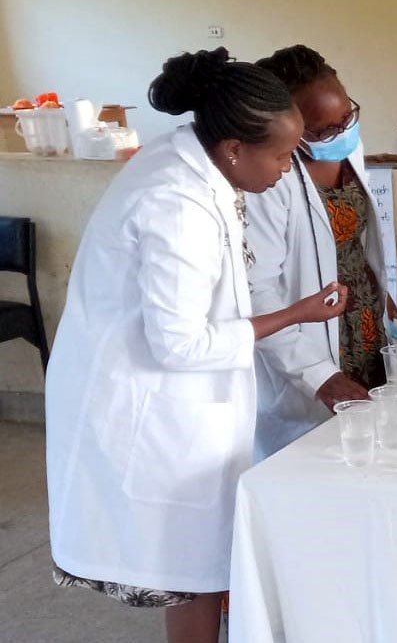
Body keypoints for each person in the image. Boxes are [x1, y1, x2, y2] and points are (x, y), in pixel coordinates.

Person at [44, 48, 347, 643]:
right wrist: (297, 313)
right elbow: (179, 344)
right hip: (152, 408)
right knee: (195, 568)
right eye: (285, 155)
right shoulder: (175, 202)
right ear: (235, 147)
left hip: (182, 404)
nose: (290, 168)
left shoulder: (194, 159)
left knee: (203, 565)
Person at [247, 45, 397, 459]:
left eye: (347, 115)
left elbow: (355, 239)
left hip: (366, 326)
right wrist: (318, 376)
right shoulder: (266, 178)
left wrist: (383, 297)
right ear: (288, 124)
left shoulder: (345, 144)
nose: (341, 132)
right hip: (308, 346)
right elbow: (257, 292)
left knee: (377, 452)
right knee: (323, 464)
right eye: (321, 129)